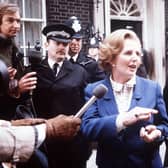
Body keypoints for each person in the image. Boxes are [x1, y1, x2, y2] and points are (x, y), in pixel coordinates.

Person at [81, 29, 168, 168]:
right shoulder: (94, 90)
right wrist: (122, 120)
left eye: (138, 53)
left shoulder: (153, 88)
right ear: (111, 58)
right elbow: (88, 129)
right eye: (128, 53)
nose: (135, 58)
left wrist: (157, 133)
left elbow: (164, 125)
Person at [32, 23, 91, 168]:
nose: (62, 47)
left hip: (72, 145)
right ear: (46, 44)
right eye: (57, 43)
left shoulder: (79, 72)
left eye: (65, 44)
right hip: (44, 142)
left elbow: (88, 106)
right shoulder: (34, 71)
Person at [0, 2, 37, 120]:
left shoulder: (14, 48)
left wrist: (20, 85)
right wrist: (15, 88)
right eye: (10, 20)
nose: (16, 25)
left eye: (18, 21)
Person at [65, 16, 106, 83]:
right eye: (71, 39)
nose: (75, 43)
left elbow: (102, 85)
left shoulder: (90, 65)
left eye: (78, 40)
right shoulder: (59, 62)